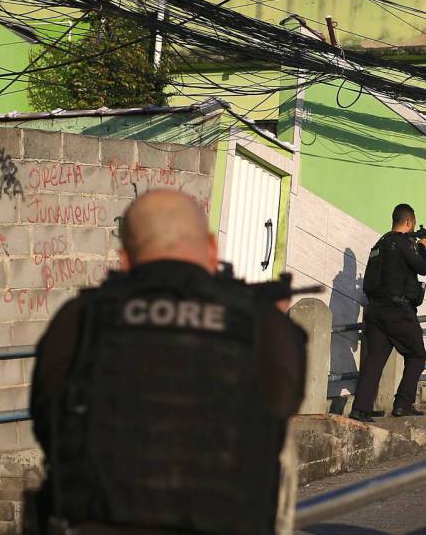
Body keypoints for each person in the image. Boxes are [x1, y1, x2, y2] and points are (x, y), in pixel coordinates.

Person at [28, 190, 307, 535]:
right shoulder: (262, 325)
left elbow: (47, 422)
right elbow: (280, 410)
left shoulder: (80, 318)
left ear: (125, 259)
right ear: (211, 249)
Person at [349, 203, 426, 423]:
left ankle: (360, 408)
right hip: (397, 311)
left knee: (374, 360)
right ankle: (403, 404)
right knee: (417, 355)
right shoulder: (403, 244)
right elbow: (421, 268)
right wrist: (423, 246)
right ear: (410, 222)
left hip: (375, 311)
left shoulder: (380, 243)